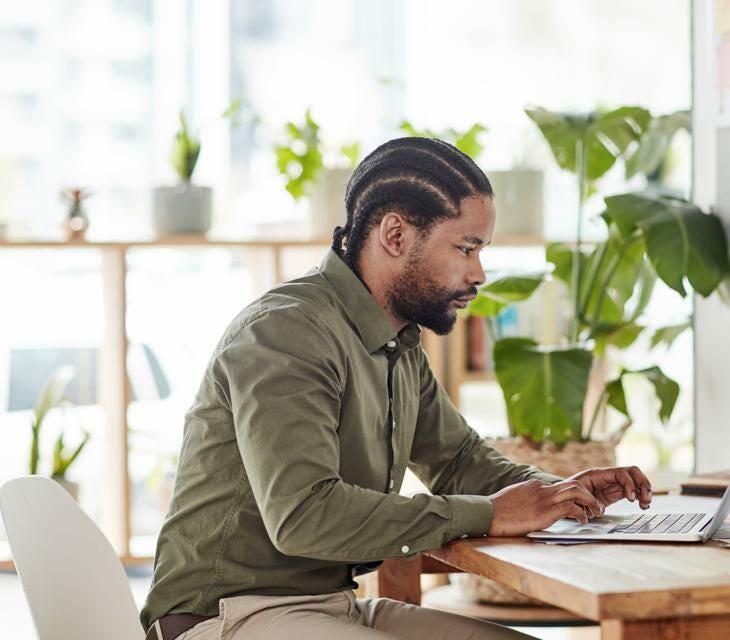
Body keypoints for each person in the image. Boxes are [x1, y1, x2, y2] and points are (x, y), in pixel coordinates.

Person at [141, 137, 652, 640]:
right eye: (466, 248)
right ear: (395, 235)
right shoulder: (286, 332)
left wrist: (561, 496)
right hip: (223, 620)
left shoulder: (397, 342)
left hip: (329, 607)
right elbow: (303, 515)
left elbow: (459, 462)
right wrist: (492, 513)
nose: (479, 273)